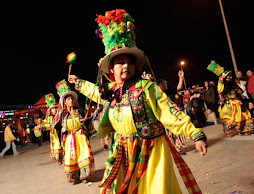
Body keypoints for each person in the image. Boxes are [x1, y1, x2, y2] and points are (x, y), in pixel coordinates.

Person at [69, 9, 207, 193]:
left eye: (129, 62)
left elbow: (170, 112)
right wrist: (77, 82)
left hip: (151, 149)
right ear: (111, 68)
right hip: (122, 150)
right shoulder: (110, 92)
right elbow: (93, 91)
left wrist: (196, 135)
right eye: (120, 62)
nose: (125, 65)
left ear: (135, 66)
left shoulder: (147, 88)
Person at [54, 79, 95, 185]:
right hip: (69, 139)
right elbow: (55, 127)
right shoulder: (62, 114)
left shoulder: (80, 111)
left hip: (80, 137)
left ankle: (85, 175)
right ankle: (74, 176)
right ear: (65, 101)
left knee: (83, 154)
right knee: (71, 157)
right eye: (68, 99)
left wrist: (84, 130)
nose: (71, 101)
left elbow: (87, 123)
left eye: (72, 98)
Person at [217, 71, 254, 136]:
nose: (229, 78)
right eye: (227, 77)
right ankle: (226, 129)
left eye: (230, 76)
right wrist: (220, 81)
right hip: (229, 104)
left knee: (242, 116)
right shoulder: (222, 85)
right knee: (232, 118)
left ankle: (241, 131)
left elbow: (240, 91)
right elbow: (220, 90)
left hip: (237, 102)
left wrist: (237, 90)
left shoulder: (233, 84)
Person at [42, 93, 63, 163]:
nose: (54, 110)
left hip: (61, 132)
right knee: (57, 146)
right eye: (52, 109)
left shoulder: (60, 114)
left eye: (55, 108)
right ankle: (59, 159)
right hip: (54, 134)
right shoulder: (49, 118)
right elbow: (46, 124)